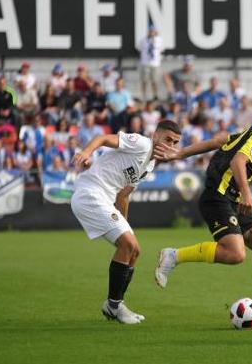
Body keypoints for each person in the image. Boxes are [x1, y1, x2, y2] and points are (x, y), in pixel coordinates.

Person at [153, 93, 252, 325]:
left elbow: (219, 141)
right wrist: (247, 193)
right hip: (218, 197)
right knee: (235, 254)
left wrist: (181, 153)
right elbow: (238, 161)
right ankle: (174, 256)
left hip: (231, 198)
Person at [70, 120, 182, 324]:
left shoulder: (149, 165)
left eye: (175, 143)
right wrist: (87, 153)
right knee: (128, 245)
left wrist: (126, 226)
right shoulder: (142, 144)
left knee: (134, 250)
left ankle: (116, 305)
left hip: (104, 199)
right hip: (90, 193)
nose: (170, 147)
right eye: (167, 140)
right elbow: (103, 138)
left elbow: (123, 196)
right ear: (156, 135)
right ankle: (113, 307)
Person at [138, 25, 164, 101]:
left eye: (153, 31)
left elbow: (161, 50)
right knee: (144, 80)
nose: (151, 33)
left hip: (155, 63)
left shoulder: (159, 40)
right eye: (150, 31)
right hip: (145, 63)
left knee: (155, 80)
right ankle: (143, 95)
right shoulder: (143, 40)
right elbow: (139, 48)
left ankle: (155, 95)